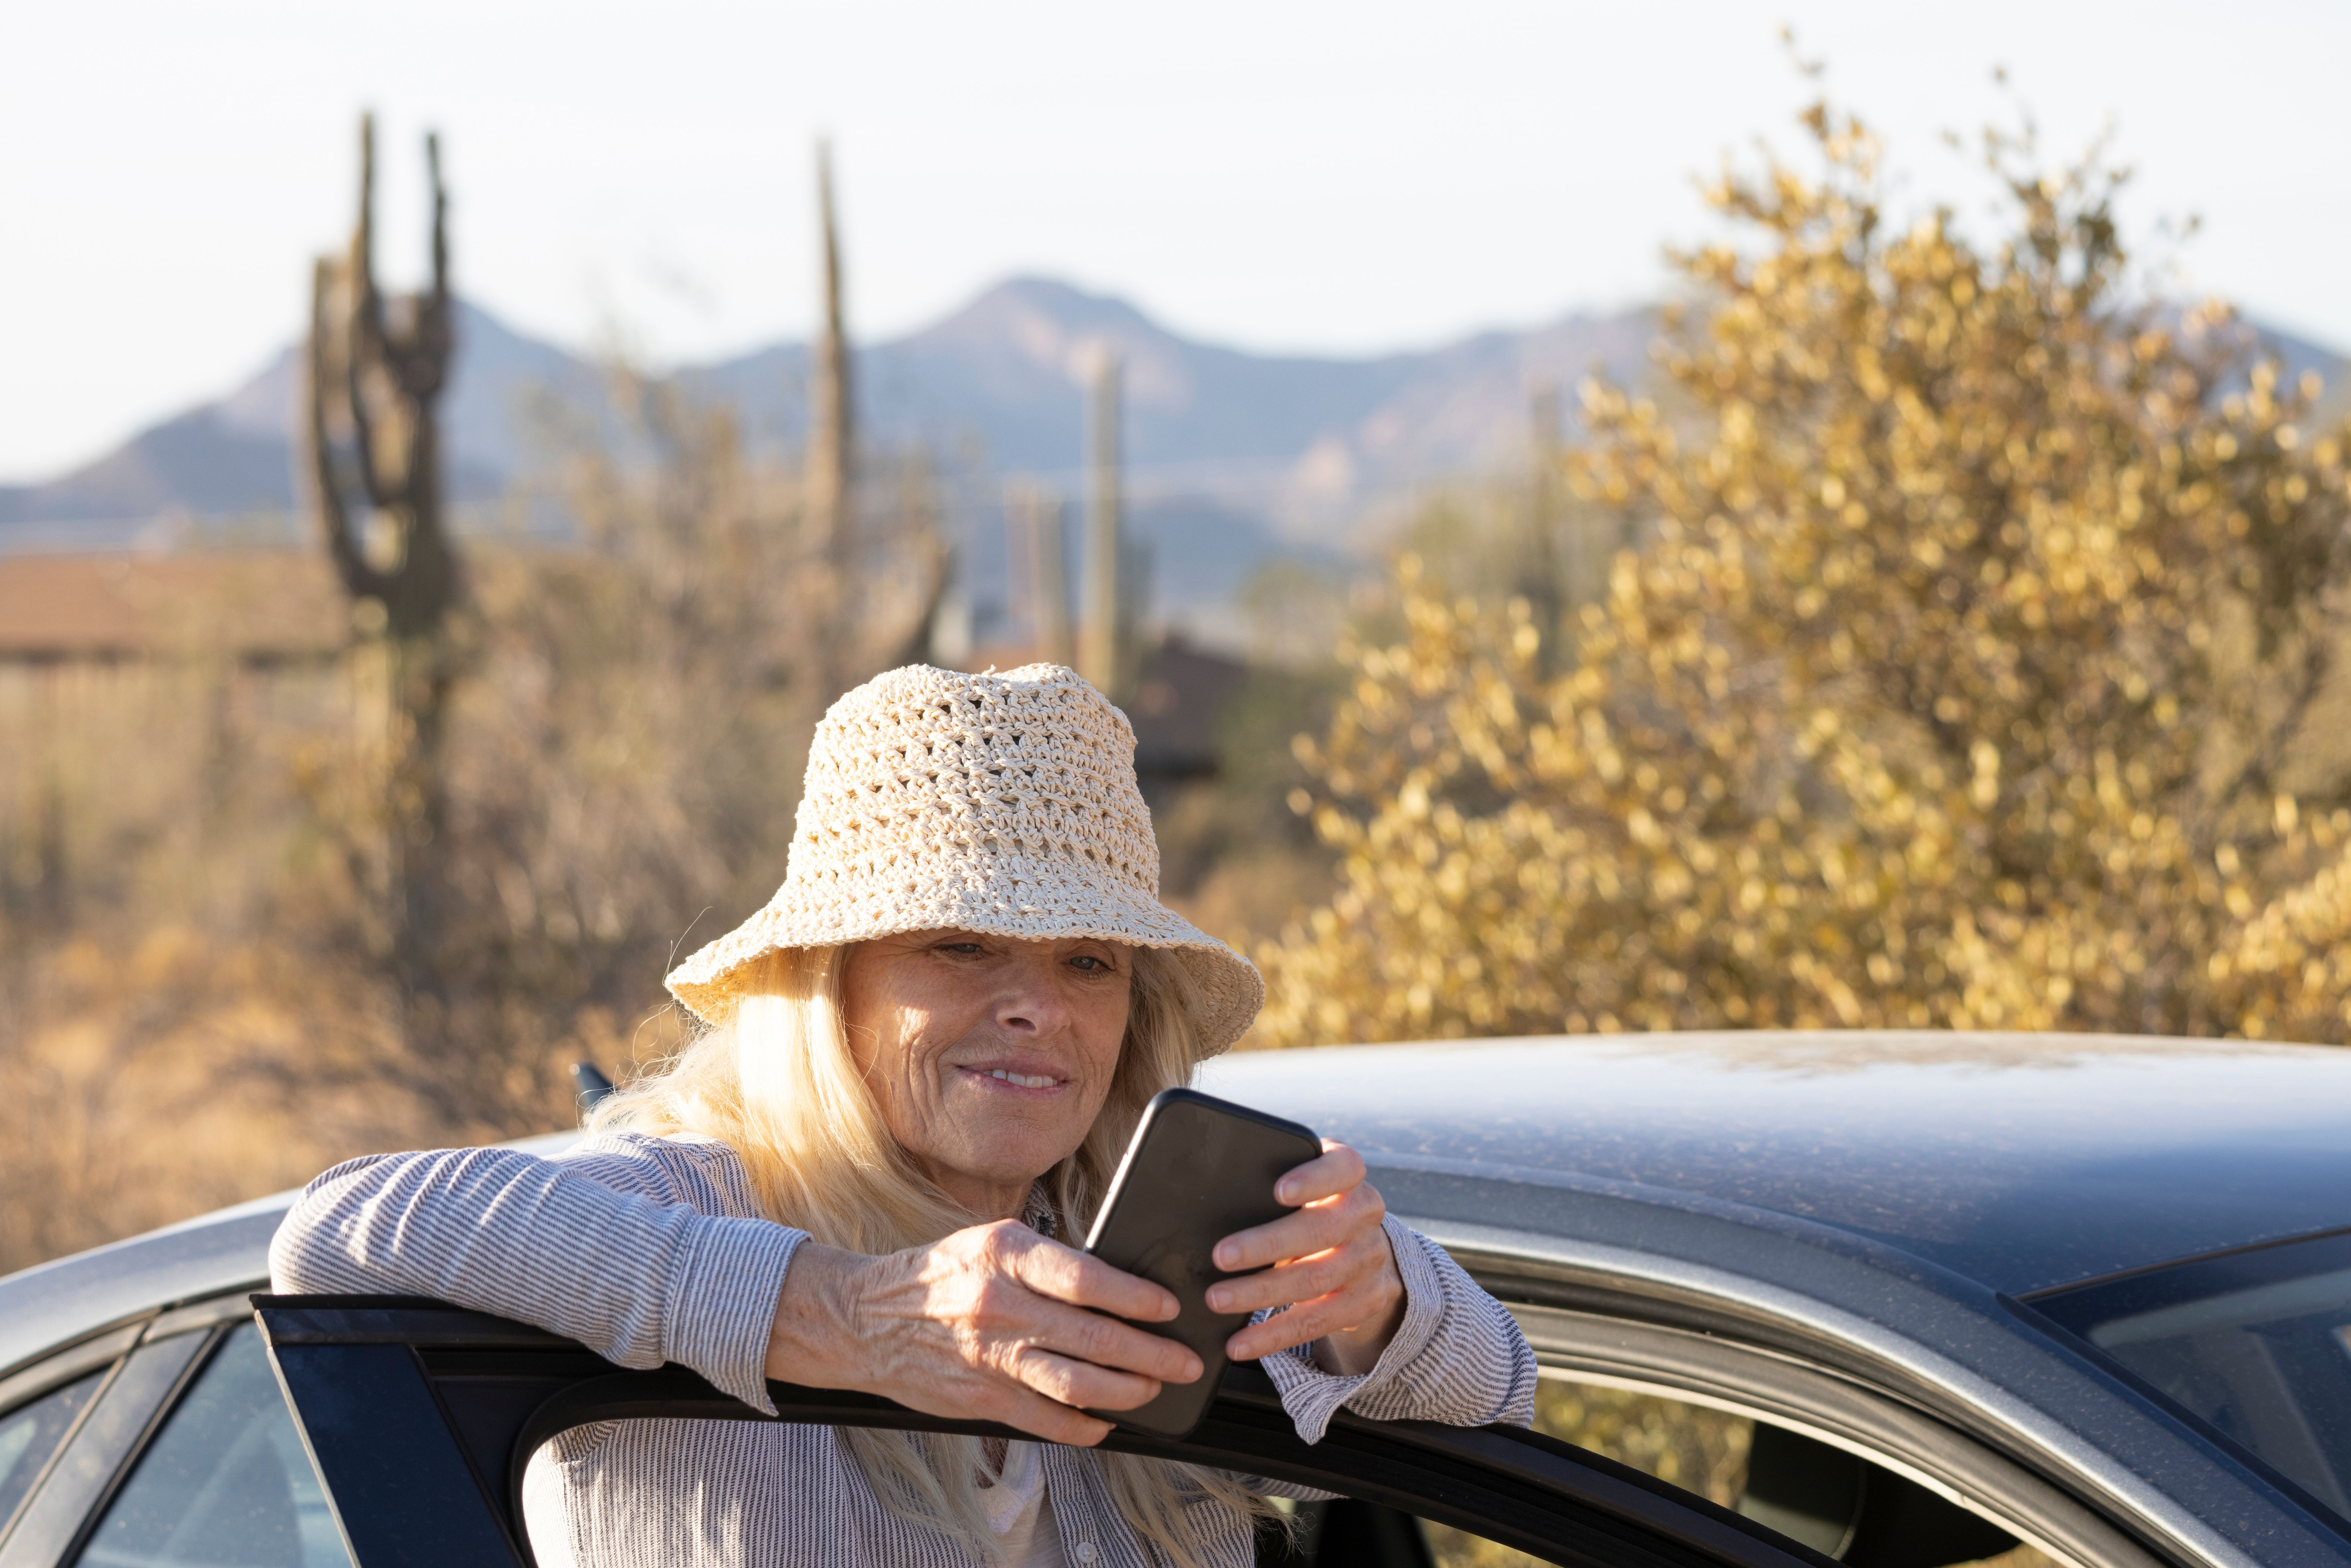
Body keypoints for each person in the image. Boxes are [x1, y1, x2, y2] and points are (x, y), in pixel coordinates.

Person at [271, 663, 1535, 1568]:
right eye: (964, 944)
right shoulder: (701, 1198)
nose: (1041, 1007)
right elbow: (337, 1234)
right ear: (834, 982)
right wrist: (843, 1319)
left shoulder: (1135, 1246)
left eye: (1089, 963)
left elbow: (1500, 1411)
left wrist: (1377, 1305)